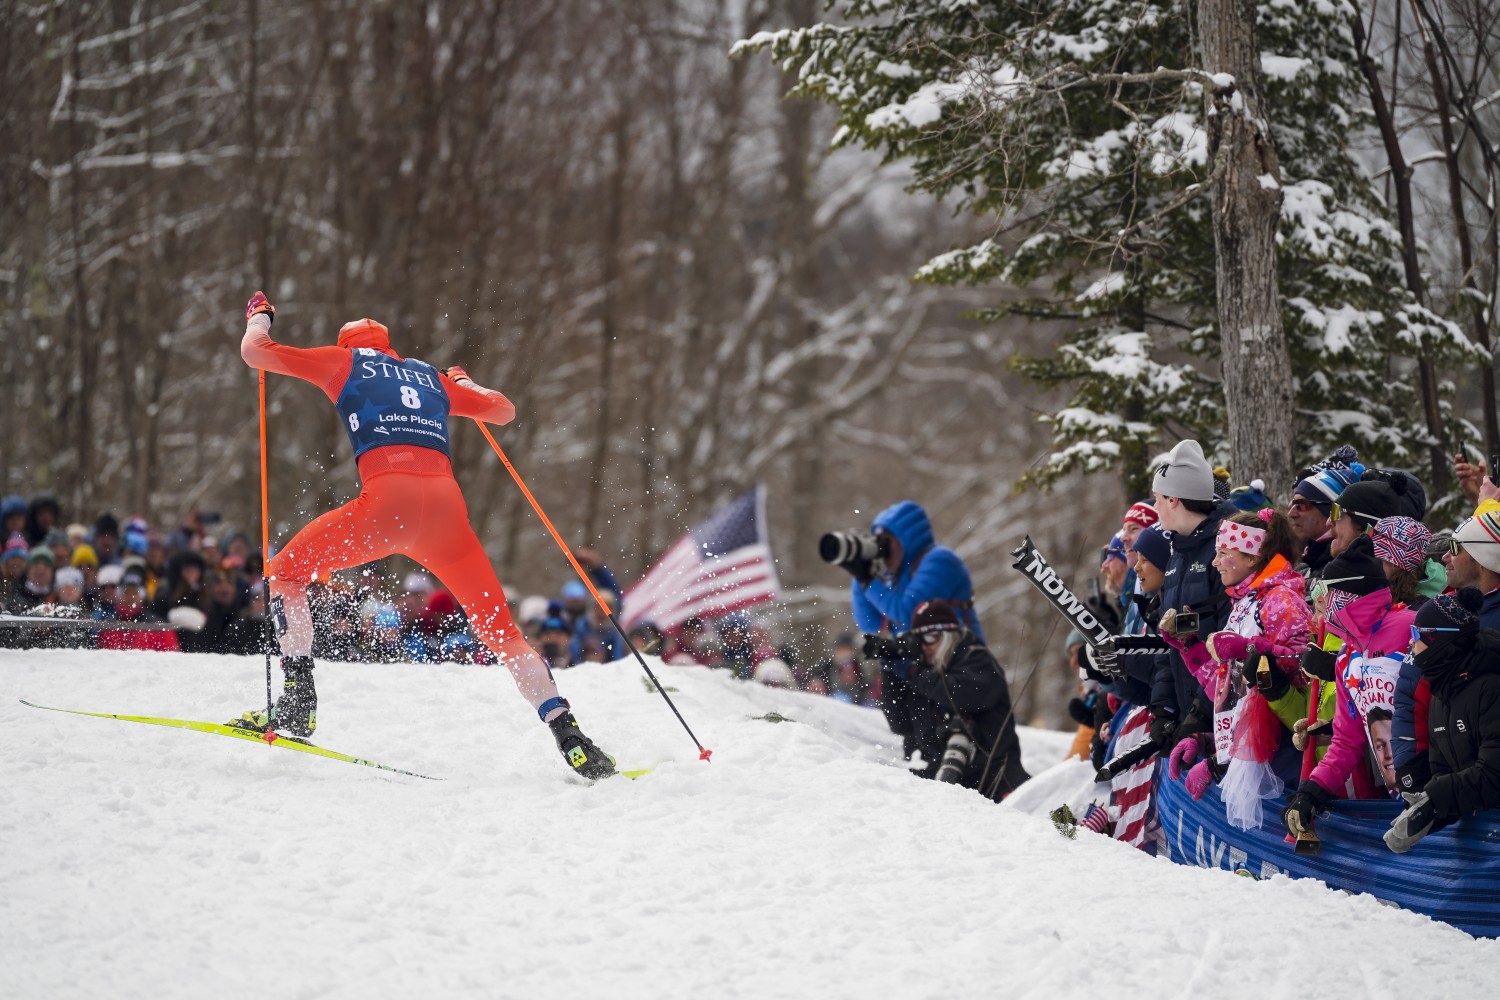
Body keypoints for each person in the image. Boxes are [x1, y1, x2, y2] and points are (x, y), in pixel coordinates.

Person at [227, 291, 615, 779]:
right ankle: (569, 734)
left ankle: (298, 699)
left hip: (386, 504)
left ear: (348, 344)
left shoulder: (345, 362)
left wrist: (259, 317)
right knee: (502, 633)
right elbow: (503, 411)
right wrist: (462, 380)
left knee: (285, 572)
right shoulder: (429, 376)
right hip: (447, 514)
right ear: (389, 346)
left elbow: (255, 353)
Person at [1282, 534, 1416, 839]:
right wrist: (1311, 792)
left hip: (1439, 791)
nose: (1321, 601)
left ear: (1349, 594)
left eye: (1327, 592)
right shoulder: (1347, 655)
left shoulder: (1409, 627)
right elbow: (1347, 741)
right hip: (1399, 797)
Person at [843, 500, 981, 761]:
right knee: (911, 737)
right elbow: (870, 623)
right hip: (915, 668)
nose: (881, 550)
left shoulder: (940, 561)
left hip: (953, 667)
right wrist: (859, 575)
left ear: (906, 539)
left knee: (935, 742)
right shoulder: (895, 578)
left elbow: (908, 613)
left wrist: (868, 580)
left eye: (886, 542)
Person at [1386, 588, 1500, 852]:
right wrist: (1426, 817)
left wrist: (1434, 799)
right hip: (1484, 842)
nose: (1411, 643)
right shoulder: (1440, 695)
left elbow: (1494, 773)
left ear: (1439, 639)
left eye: (1417, 635)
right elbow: (1445, 773)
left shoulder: (1492, 688)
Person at [1148, 439, 1237, 756]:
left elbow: (1231, 637)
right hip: (1192, 716)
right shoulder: (1177, 553)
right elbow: (1169, 640)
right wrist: (1164, 709)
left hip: (1225, 720)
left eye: (1158, 499)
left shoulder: (1223, 550)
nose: (1155, 507)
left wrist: (1199, 713)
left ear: (1174, 500)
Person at [896, 600, 1030, 800]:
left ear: (949, 635)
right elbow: (900, 724)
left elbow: (962, 696)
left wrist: (913, 673)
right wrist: (890, 668)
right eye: (918, 639)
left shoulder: (977, 658)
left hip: (995, 777)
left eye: (930, 636)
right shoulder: (924, 674)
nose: (924, 646)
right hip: (940, 773)